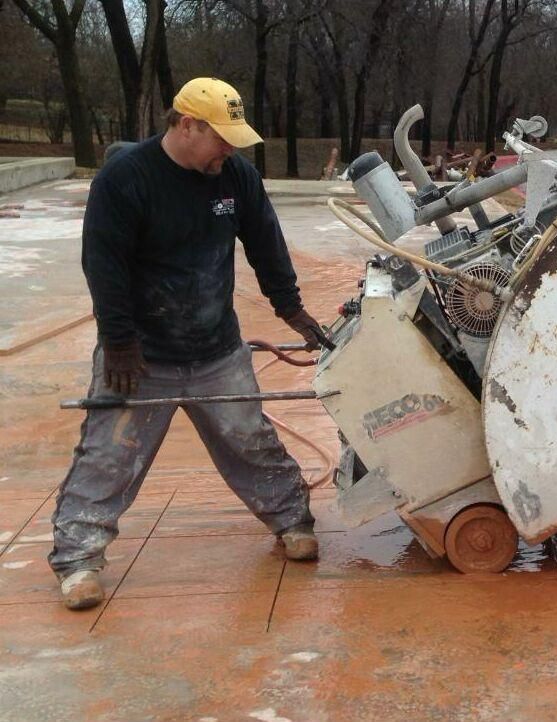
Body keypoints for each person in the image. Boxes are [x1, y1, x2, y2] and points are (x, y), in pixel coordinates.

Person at [51, 77, 331, 610]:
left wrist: (290, 307)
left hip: (216, 347)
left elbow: (266, 242)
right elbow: (103, 265)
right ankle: (78, 558)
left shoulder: (235, 177)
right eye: (222, 138)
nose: (229, 150)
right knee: (110, 454)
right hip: (139, 356)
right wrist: (119, 342)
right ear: (187, 125)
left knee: (249, 438)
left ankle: (292, 520)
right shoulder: (125, 180)